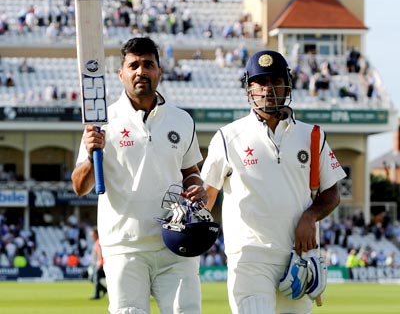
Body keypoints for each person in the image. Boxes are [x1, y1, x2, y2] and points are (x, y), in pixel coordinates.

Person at [201, 50, 346, 314]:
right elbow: (207, 195)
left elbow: (332, 193)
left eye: (275, 81)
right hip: (249, 257)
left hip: (298, 256)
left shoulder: (312, 135)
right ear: (249, 88)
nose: (268, 89)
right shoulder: (227, 137)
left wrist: (310, 216)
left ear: (287, 84)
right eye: (261, 82)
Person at [71, 37, 206, 314]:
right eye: (133, 65)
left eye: (148, 64)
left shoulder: (182, 120)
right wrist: (92, 152)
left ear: (159, 71)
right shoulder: (102, 120)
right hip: (123, 245)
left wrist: (197, 188)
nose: (140, 71)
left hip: (174, 240)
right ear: (121, 73)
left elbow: (190, 172)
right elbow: (79, 186)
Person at [89, 228, 107, 300]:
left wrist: (99, 262)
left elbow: (100, 252)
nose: (91, 236)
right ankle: (103, 289)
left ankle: (97, 295)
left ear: (96, 234)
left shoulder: (99, 242)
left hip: (100, 264)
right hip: (97, 264)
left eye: (92, 235)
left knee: (95, 278)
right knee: (92, 278)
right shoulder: (97, 242)